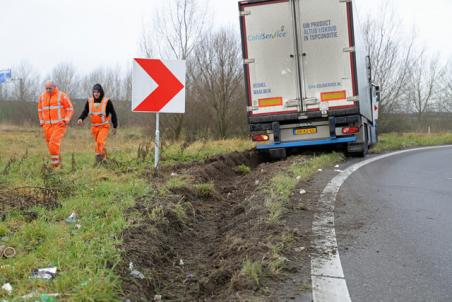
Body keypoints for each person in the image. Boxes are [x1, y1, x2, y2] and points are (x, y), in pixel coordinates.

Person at [77, 83, 118, 163]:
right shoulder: (89, 101)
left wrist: (115, 126)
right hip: (94, 127)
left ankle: (99, 160)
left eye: (98, 92)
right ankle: (104, 159)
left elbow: (113, 113)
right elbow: (85, 111)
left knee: (100, 142)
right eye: (94, 92)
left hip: (104, 126)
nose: (96, 93)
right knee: (99, 144)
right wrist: (81, 118)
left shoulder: (107, 101)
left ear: (101, 92)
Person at [38, 81, 74, 168]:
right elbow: (40, 110)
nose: (48, 90)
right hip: (47, 126)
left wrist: (66, 120)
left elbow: (70, 109)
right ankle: (58, 162)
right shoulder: (42, 97)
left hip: (59, 125)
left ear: (55, 87)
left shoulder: (62, 95)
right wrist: (41, 121)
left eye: (50, 88)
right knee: (50, 145)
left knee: (53, 143)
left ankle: (55, 166)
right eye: (46, 88)